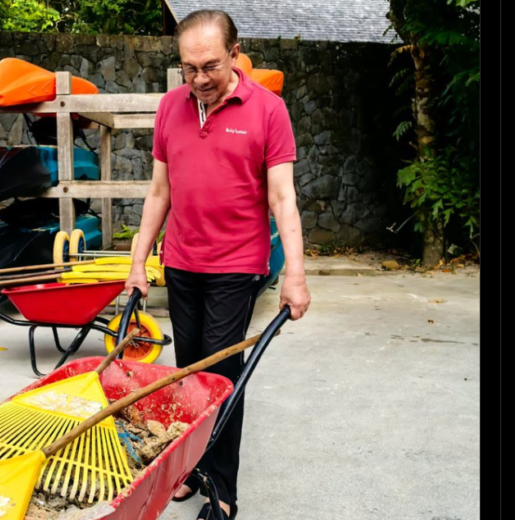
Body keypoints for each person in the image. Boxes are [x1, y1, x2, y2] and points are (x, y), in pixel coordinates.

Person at [124, 9, 311, 520]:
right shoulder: (171, 107)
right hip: (182, 262)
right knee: (188, 375)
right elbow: (159, 191)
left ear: (234, 54)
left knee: (221, 376)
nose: (199, 79)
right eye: (189, 68)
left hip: (236, 266)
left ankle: (221, 490)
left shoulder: (269, 110)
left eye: (209, 65)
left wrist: (294, 273)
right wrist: (139, 262)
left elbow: (282, 197)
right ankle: (191, 467)